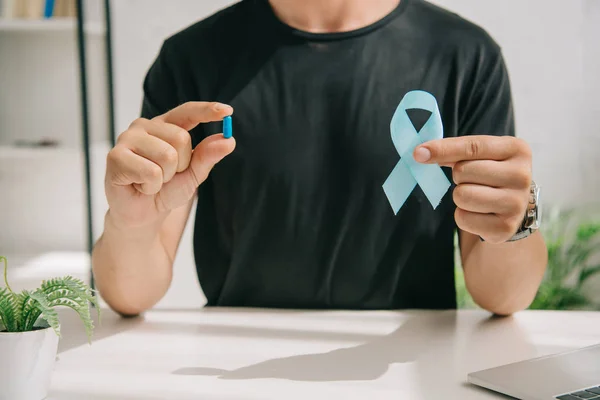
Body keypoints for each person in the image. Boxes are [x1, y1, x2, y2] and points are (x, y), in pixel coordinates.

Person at [92, 0, 548, 316]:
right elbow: (131, 293)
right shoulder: (191, 59)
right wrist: (129, 223)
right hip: (232, 359)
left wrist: (518, 218)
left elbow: (503, 296)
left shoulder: (465, 56)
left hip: (408, 361)